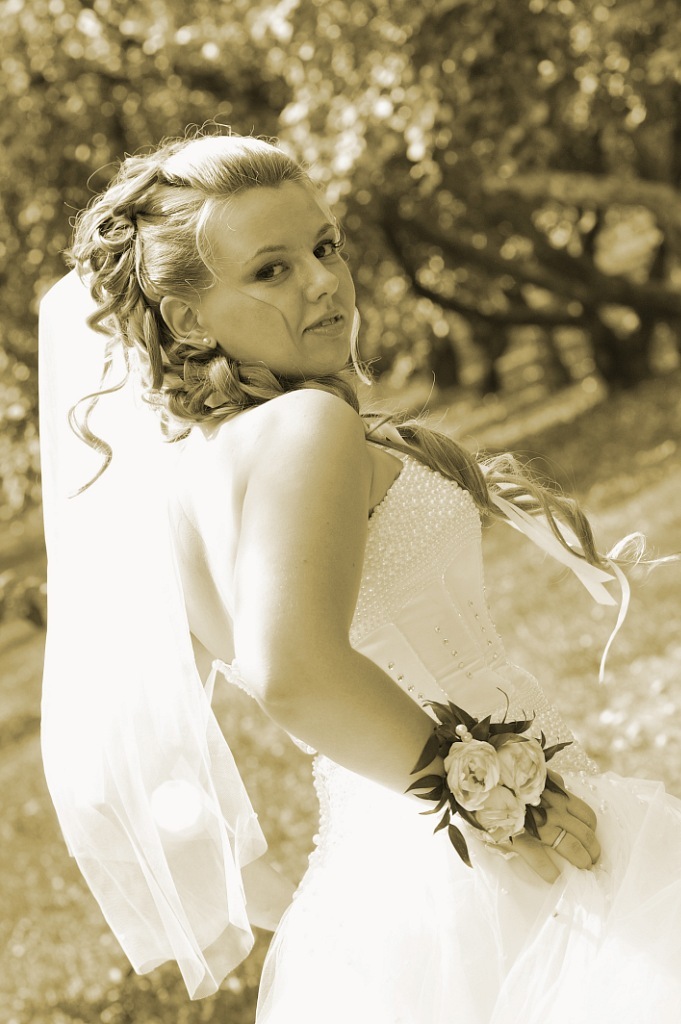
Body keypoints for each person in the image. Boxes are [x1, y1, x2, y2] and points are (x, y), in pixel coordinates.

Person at [39, 131, 681, 1023]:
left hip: (375, 878)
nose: (322, 282)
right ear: (186, 320)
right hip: (490, 850)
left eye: (324, 247)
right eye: (270, 270)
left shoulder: (180, 487)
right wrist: (498, 800)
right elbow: (292, 670)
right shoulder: (306, 425)